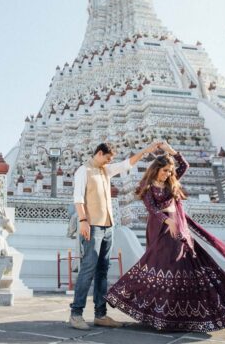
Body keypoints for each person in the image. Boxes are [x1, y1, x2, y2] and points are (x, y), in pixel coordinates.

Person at [105, 142, 225, 332]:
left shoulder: (171, 182)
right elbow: (151, 208)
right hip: (160, 226)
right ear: (156, 169)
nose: (168, 174)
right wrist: (166, 221)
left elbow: (184, 165)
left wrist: (171, 151)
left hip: (178, 225)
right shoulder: (147, 185)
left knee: (182, 266)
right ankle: (158, 313)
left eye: (170, 171)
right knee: (160, 266)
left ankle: (180, 315)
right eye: (165, 171)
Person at [69, 141, 161, 330]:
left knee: (103, 270)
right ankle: (76, 314)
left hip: (108, 226)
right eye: (108, 158)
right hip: (92, 226)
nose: (110, 162)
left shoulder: (105, 170)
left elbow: (127, 164)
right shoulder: (83, 171)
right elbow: (78, 198)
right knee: (87, 269)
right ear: (100, 153)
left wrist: (146, 149)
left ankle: (100, 314)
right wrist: (83, 220)